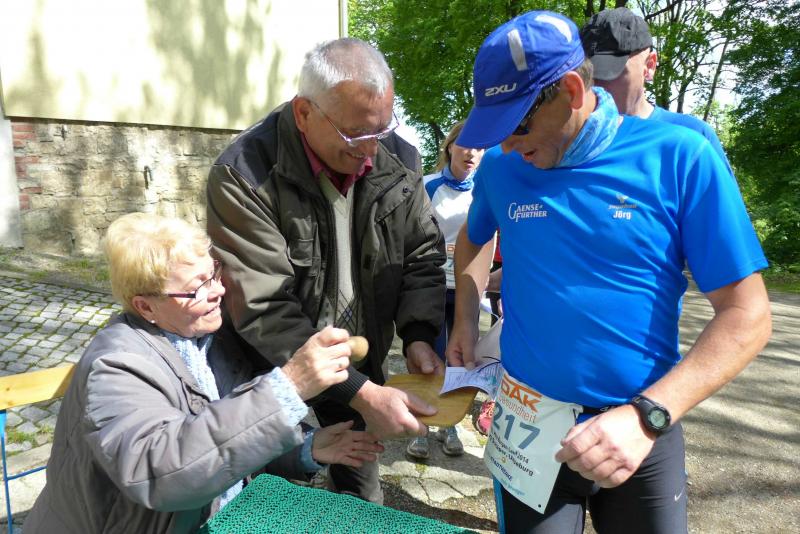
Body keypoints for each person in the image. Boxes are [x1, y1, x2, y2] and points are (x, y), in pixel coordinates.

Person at [446, 11, 771, 534]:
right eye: (497, 130)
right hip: (529, 426)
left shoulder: (680, 156)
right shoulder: (504, 171)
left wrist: (649, 415)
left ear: (572, 91)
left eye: (518, 125)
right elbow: (473, 238)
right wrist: (465, 318)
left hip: (641, 428)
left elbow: (747, 315)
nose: (507, 146)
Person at [24, 213, 384, 533]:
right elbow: (166, 473)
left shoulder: (211, 337)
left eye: (213, 273)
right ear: (146, 306)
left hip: (220, 518)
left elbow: (224, 440)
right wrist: (288, 387)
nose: (219, 291)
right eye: (196, 288)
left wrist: (303, 448)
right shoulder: (117, 365)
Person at [206, 38, 446, 504]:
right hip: (272, 368)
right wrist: (362, 394)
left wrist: (419, 334)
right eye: (356, 134)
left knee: (362, 501)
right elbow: (265, 306)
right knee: (271, 495)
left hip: (358, 364)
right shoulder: (243, 174)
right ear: (304, 113)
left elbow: (421, 253)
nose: (371, 149)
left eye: (382, 127)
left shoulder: (399, 159)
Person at [405, 121, 484, 460]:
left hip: (467, 288)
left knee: (460, 357)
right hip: (431, 284)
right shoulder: (428, 185)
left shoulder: (486, 190)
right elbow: (411, 234)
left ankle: (449, 424)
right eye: (465, 145)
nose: (472, 153)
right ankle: (420, 426)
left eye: (480, 148)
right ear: (450, 146)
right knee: (428, 355)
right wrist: (441, 249)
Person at [580, 7, 733, 173]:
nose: (596, 86)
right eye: (586, 74)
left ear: (649, 66)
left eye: (610, 71)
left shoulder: (693, 137)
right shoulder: (569, 142)